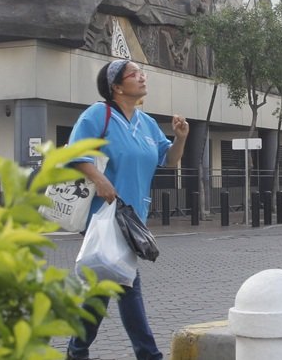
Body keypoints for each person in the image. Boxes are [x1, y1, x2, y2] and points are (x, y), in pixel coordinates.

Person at [65, 59, 190, 360]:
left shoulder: (146, 123)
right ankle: (148, 355)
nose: (141, 77)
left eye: (141, 72)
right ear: (117, 87)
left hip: (133, 217)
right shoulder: (99, 115)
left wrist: (181, 137)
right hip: (104, 216)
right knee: (126, 285)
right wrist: (100, 180)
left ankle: (76, 351)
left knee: (106, 288)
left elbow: (169, 160)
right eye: (133, 74)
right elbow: (74, 153)